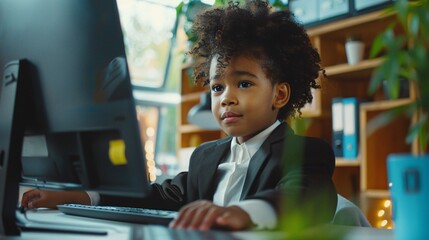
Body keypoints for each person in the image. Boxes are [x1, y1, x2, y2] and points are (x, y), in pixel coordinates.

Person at [21, 0, 337, 231]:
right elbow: (155, 196)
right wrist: (80, 196)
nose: (226, 97)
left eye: (243, 83)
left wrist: (243, 213)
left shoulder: (306, 152)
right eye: (216, 88)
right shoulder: (205, 157)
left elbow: (304, 196)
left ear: (279, 94)